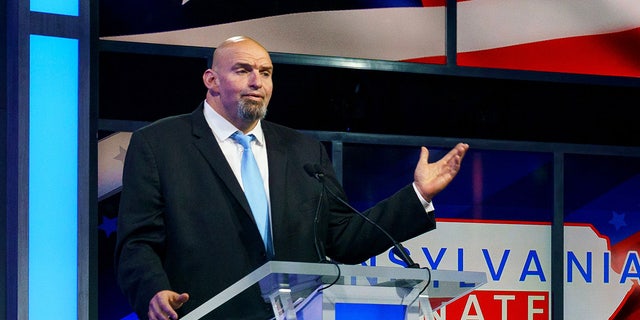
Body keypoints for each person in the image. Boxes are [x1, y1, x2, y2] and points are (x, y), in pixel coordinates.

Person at [114, 35, 469, 320]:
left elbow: (344, 238)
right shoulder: (160, 144)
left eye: (266, 73)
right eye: (243, 70)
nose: (257, 82)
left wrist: (417, 194)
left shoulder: (302, 151)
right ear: (212, 81)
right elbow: (137, 242)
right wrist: (153, 292)